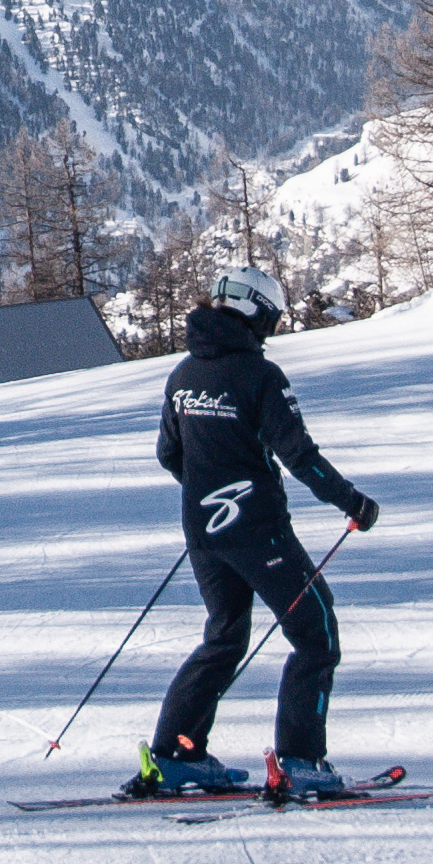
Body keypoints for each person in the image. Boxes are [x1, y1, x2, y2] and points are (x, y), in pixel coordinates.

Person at [134, 265, 382, 801]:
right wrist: (353, 503)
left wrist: (211, 490)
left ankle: (177, 757)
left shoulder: (182, 374)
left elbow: (168, 454)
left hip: (204, 531)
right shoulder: (260, 376)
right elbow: (299, 456)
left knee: (224, 637)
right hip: (257, 532)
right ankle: (301, 762)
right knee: (316, 635)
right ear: (256, 314)